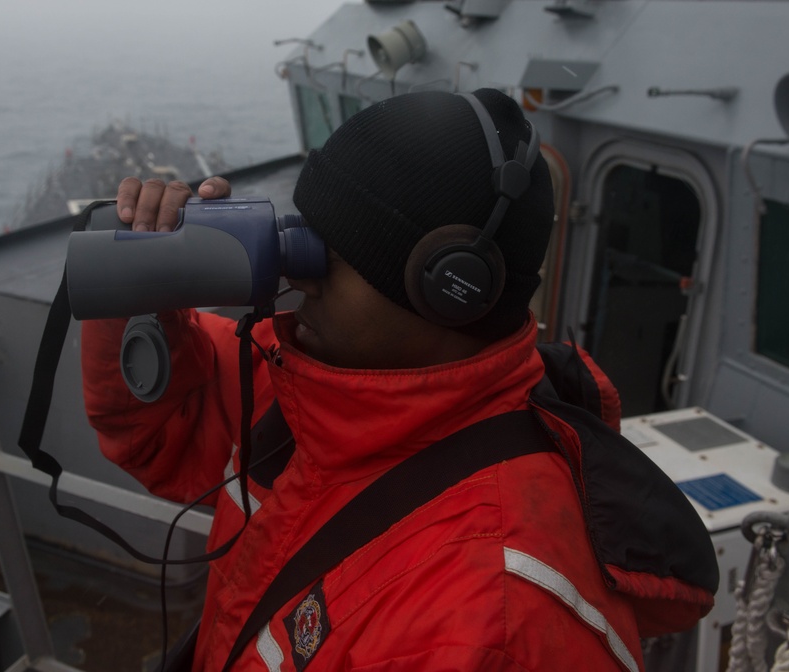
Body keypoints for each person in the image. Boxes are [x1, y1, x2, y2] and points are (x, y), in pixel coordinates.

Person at [81, 88, 717, 671]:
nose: (300, 273)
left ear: (448, 289)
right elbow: (160, 432)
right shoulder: (319, 381)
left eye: (334, 248)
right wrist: (148, 289)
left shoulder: (494, 624)